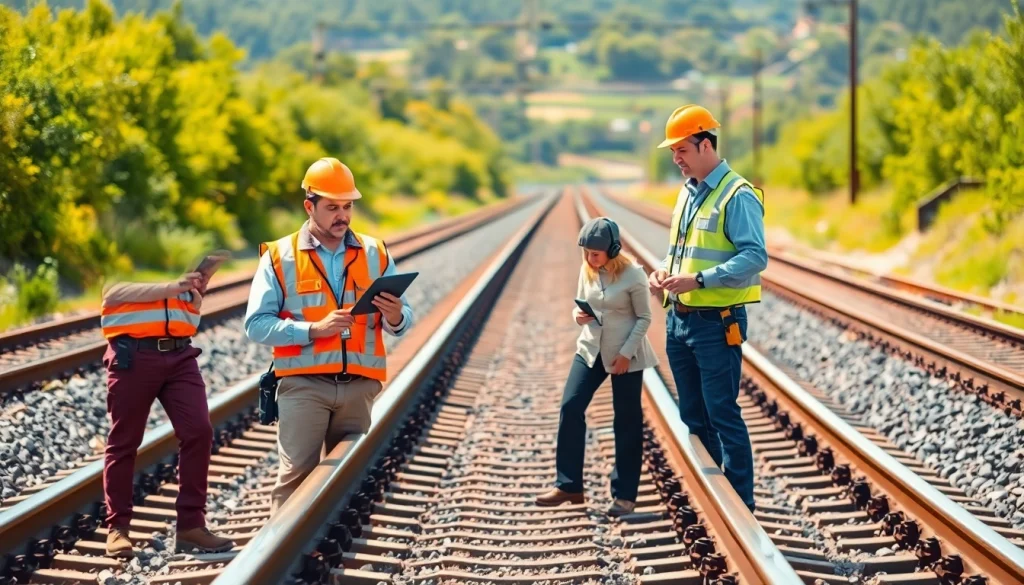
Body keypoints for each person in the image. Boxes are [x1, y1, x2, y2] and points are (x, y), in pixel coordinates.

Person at [244, 157, 414, 514]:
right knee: (296, 478)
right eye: (332, 207)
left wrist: (397, 315)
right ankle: (278, 556)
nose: (343, 215)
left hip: (359, 386)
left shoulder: (375, 252)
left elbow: (404, 319)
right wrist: (313, 330)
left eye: (348, 206)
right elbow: (256, 324)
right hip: (304, 385)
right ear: (310, 206)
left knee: (348, 479)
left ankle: (325, 559)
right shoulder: (279, 256)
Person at [647, 104, 768, 512]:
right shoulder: (688, 192)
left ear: (704, 144)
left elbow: (755, 257)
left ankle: (742, 506)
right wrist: (662, 272)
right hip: (679, 322)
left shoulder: (738, 194)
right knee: (694, 416)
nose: (676, 159)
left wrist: (699, 281)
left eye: (681, 150)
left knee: (722, 415)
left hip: (717, 323)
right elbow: (680, 253)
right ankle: (720, 497)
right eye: (673, 153)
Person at [99, 261, 236, 558]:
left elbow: (183, 311)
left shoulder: (177, 260)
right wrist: (171, 287)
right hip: (133, 356)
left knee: (199, 430)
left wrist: (195, 291)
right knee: (124, 442)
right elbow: (114, 291)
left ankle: (190, 526)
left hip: (180, 354)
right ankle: (117, 529)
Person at [536, 217, 659, 516]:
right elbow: (579, 305)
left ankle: (625, 496)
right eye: (587, 253)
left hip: (625, 354)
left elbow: (644, 318)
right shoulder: (586, 269)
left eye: (596, 254)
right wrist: (576, 316)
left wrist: (626, 354)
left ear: (613, 250)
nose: (590, 259)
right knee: (571, 406)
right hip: (590, 350)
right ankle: (569, 485)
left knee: (626, 422)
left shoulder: (634, 276)